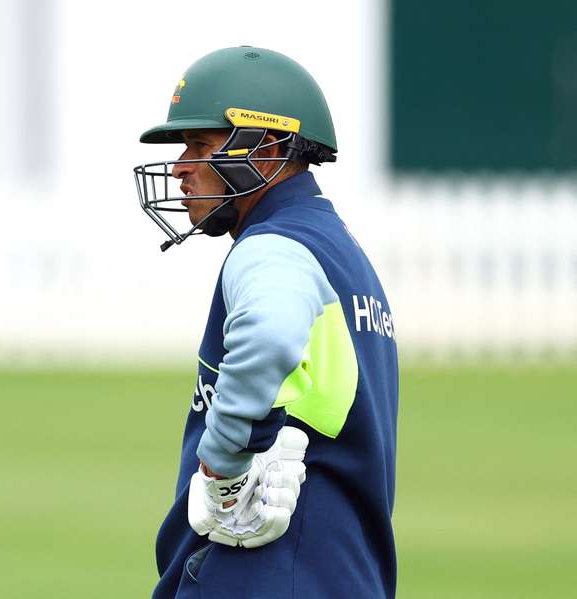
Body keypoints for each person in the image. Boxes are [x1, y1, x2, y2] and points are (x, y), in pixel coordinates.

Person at [133, 47, 400, 598]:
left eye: (201, 145)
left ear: (269, 146)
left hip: (269, 576)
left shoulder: (274, 246)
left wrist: (223, 465)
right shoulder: (337, 250)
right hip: (338, 574)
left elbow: (270, 332)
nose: (182, 166)